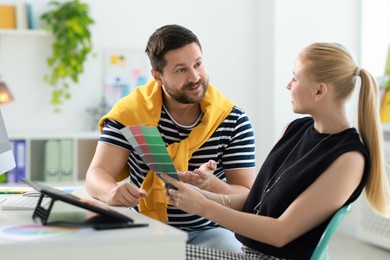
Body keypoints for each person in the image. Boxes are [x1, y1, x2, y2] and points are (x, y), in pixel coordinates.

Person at [163, 42, 390, 259]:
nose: (288, 85)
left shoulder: (349, 159)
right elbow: (257, 205)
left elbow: (279, 233)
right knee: (154, 250)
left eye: (295, 77)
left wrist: (203, 206)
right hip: (247, 253)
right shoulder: (294, 130)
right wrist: (194, 194)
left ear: (320, 91)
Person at [85, 24, 256, 252]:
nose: (195, 77)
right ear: (158, 76)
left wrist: (211, 185)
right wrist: (109, 191)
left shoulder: (232, 119)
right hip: (146, 228)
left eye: (198, 64)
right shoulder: (131, 114)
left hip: (210, 230)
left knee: (234, 253)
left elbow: (246, 194)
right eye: (181, 70)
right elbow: (96, 174)